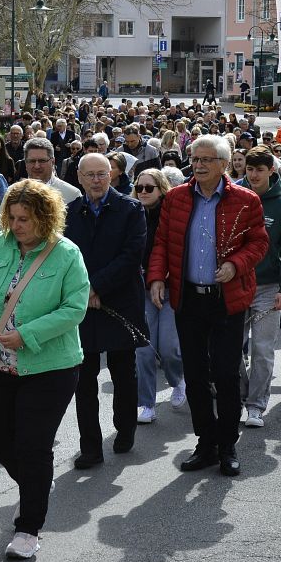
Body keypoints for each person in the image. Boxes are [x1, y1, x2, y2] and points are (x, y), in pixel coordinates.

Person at [0, 179, 88, 560]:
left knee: (33, 446)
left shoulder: (66, 254)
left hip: (50, 367)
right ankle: (35, 484)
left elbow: (75, 308)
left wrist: (28, 334)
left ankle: (28, 528)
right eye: (12, 218)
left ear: (45, 217)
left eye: (25, 219)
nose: (16, 226)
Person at [146, 135, 268, 477]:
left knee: (226, 374)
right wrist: (156, 278)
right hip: (188, 299)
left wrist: (235, 264)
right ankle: (206, 443)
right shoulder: (176, 198)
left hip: (227, 300)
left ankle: (228, 444)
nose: (198, 165)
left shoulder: (245, 200)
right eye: (194, 159)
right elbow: (162, 242)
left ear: (223, 164)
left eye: (205, 160)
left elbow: (259, 243)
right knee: (196, 375)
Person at [64, 154, 146, 469]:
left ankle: (125, 429)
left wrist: (96, 287)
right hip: (81, 306)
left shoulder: (131, 209)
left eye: (102, 174)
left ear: (111, 175)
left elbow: (131, 255)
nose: (97, 180)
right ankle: (90, 448)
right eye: (90, 175)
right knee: (83, 379)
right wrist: (84, 292)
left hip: (120, 301)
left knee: (123, 372)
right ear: (80, 177)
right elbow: (65, 258)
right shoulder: (69, 212)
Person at [239, 147, 281, 427]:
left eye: (259, 170)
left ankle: (255, 406)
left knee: (262, 351)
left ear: (271, 171)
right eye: (250, 169)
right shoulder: (235, 199)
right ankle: (241, 394)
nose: (253, 175)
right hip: (236, 285)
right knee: (229, 349)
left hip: (267, 288)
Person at [131, 168, 184, 423]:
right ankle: (147, 403)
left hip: (170, 288)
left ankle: (178, 380)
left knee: (169, 347)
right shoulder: (131, 213)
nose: (143, 192)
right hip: (140, 290)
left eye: (149, 188)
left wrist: (161, 277)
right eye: (139, 187)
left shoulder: (172, 214)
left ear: (161, 189)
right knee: (143, 350)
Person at [23, 138, 81, 204]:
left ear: (53, 162)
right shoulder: (15, 194)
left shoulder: (72, 195)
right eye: (32, 161)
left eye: (42, 161)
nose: (37, 166)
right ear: (25, 163)